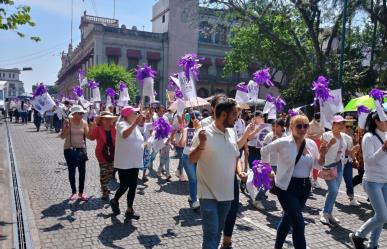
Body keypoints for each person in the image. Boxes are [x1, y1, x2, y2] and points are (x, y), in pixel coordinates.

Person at [261, 114, 327, 249]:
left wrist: (323, 155)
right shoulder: (284, 142)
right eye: (299, 126)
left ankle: (277, 246)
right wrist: (268, 170)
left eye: (306, 126)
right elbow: (264, 150)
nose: (303, 129)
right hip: (286, 187)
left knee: (287, 219)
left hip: (304, 187)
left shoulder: (311, 143)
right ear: (291, 127)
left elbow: (317, 166)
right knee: (298, 224)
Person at [189, 99, 245, 249]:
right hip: (207, 193)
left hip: (227, 194)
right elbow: (191, 159)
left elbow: (235, 155)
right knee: (211, 232)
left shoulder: (232, 132)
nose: (237, 117)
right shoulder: (204, 133)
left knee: (218, 230)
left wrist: (240, 172)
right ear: (223, 114)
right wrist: (201, 145)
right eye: (234, 114)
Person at [349, 111, 387, 249]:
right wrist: (383, 148)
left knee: (381, 216)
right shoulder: (368, 137)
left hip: (385, 181)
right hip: (372, 181)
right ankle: (357, 236)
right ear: (377, 121)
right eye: (386, 120)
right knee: (383, 216)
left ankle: (373, 244)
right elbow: (369, 162)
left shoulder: (385, 134)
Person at [110, 106, 144, 219]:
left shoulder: (136, 127)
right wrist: (135, 123)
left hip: (134, 161)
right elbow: (125, 135)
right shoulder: (121, 124)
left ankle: (129, 209)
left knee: (133, 186)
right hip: (124, 162)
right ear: (127, 115)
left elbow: (137, 141)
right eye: (135, 113)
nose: (136, 114)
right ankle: (114, 201)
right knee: (124, 186)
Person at [319, 115, 353, 225]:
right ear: (333, 124)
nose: (341, 125)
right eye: (338, 123)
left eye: (343, 123)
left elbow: (346, 153)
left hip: (339, 167)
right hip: (328, 166)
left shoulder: (346, 137)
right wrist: (329, 144)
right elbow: (322, 153)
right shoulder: (326, 135)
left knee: (334, 192)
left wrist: (352, 152)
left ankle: (329, 213)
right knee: (333, 190)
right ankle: (324, 213)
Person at [251, 118, 286, 210]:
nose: (274, 128)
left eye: (277, 126)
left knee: (282, 185)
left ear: (282, 127)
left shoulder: (286, 137)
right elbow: (263, 150)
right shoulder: (269, 136)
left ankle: (285, 204)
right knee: (267, 183)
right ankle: (257, 200)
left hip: (281, 164)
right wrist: (267, 164)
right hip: (270, 163)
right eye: (273, 126)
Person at [60, 105, 89, 201]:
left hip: (81, 150)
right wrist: (65, 127)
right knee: (72, 172)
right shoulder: (68, 122)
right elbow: (62, 136)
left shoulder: (84, 122)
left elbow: (88, 135)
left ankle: (81, 193)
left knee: (82, 172)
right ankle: (73, 192)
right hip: (69, 150)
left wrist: (93, 126)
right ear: (74, 114)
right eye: (80, 113)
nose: (82, 114)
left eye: (82, 113)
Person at [87, 111, 117, 200]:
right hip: (101, 154)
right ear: (102, 120)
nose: (108, 121)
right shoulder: (98, 129)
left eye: (110, 119)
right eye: (106, 119)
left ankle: (105, 186)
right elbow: (91, 138)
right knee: (104, 172)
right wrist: (91, 128)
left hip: (112, 153)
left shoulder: (114, 128)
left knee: (110, 172)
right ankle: (104, 190)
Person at [179, 112, 201, 209]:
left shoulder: (202, 130)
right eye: (197, 118)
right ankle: (195, 200)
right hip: (187, 157)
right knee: (193, 180)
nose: (199, 120)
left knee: (198, 179)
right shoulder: (187, 130)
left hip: (199, 158)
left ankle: (192, 195)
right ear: (192, 119)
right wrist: (185, 135)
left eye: (200, 118)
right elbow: (180, 144)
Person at [342, 120, 360, 206]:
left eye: (351, 127)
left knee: (349, 180)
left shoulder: (350, 137)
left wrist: (355, 159)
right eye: (347, 127)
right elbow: (343, 153)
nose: (350, 129)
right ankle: (330, 199)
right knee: (334, 186)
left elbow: (352, 151)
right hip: (337, 163)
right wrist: (351, 151)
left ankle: (351, 198)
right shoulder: (336, 137)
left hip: (347, 162)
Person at [307, 112, 325, 189]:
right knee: (312, 163)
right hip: (312, 144)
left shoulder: (321, 124)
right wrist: (315, 136)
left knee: (317, 163)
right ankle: (311, 179)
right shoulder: (310, 125)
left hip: (320, 143)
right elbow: (306, 136)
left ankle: (314, 179)